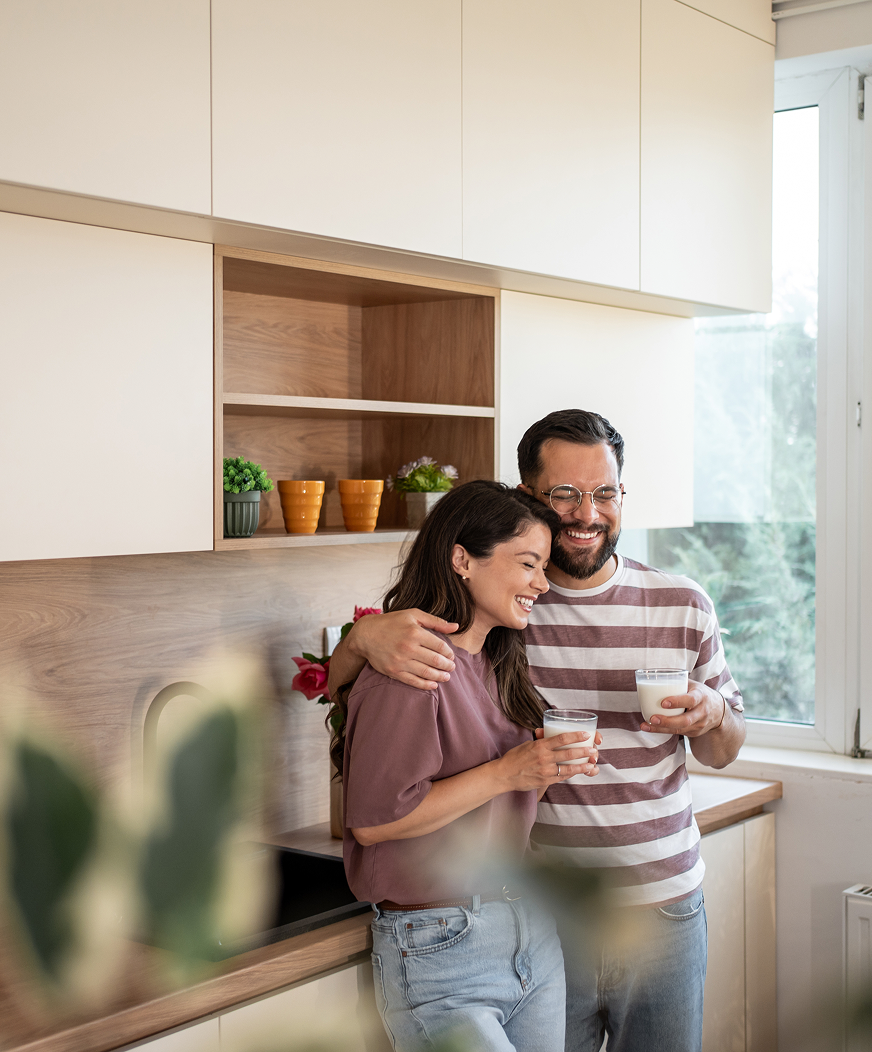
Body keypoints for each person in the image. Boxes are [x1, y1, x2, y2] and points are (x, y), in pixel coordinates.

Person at [328, 410, 746, 1052]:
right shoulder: (512, 606)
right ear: (530, 498)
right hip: (545, 908)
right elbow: (361, 692)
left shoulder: (680, 603)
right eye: (566, 494)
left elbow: (725, 749)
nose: (588, 512)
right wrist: (361, 639)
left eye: (605, 492)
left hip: (660, 906)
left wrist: (713, 714)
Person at [332, 480, 600, 1052]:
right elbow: (375, 821)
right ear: (462, 559)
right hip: (439, 945)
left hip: (529, 933)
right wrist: (511, 771)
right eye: (528, 563)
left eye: (545, 566)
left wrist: (546, 765)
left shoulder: (497, 662)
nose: (542, 583)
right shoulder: (412, 666)